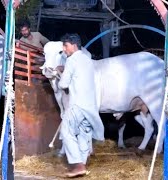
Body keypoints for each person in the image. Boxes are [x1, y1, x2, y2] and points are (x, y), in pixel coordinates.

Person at [56, 33, 104, 178]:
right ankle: (82, 164)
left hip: (77, 104)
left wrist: (60, 72)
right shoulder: (88, 60)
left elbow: (63, 84)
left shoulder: (71, 60)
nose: (64, 49)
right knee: (84, 133)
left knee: (66, 131)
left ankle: (78, 164)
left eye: (66, 45)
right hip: (90, 105)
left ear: (73, 45)